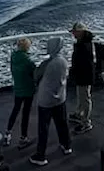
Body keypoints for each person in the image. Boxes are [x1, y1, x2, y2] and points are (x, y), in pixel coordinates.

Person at [29, 36, 72, 166]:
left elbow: (36, 76)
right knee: (62, 123)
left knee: (43, 129)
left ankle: (40, 156)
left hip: (46, 101)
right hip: (60, 98)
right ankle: (66, 146)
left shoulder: (46, 64)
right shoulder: (64, 61)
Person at [4, 37, 35, 146]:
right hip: (28, 90)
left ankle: (7, 133)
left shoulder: (13, 56)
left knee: (15, 110)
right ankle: (23, 137)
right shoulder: (28, 61)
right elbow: (34, 74)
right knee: (25, 113)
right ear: (26, 47)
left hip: (18, 88)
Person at [69, 21, 95, 132]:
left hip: (84, 75)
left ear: (80, 32)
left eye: (74, 32)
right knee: (81, 95)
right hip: (82, 74)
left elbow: (82, 63)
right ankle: (79, 114)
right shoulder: (85, 43)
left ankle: (86, 122)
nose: (73, 34)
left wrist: (74, 72)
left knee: (85, 98)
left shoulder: (83, 45)